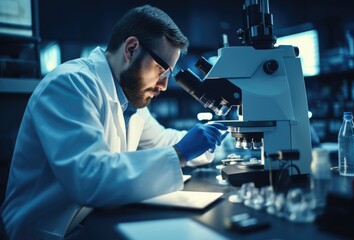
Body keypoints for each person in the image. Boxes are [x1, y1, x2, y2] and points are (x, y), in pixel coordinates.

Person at [0, 4, 228, 240]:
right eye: (161, 70)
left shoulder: (129, 99)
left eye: (168, 75)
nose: (163, 85)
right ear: (131, 49)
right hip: (45, 231)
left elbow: (163, 141)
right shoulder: (70, 84)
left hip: (86, 222)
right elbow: (89, 178)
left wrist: (219, 140)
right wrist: (182, 151)